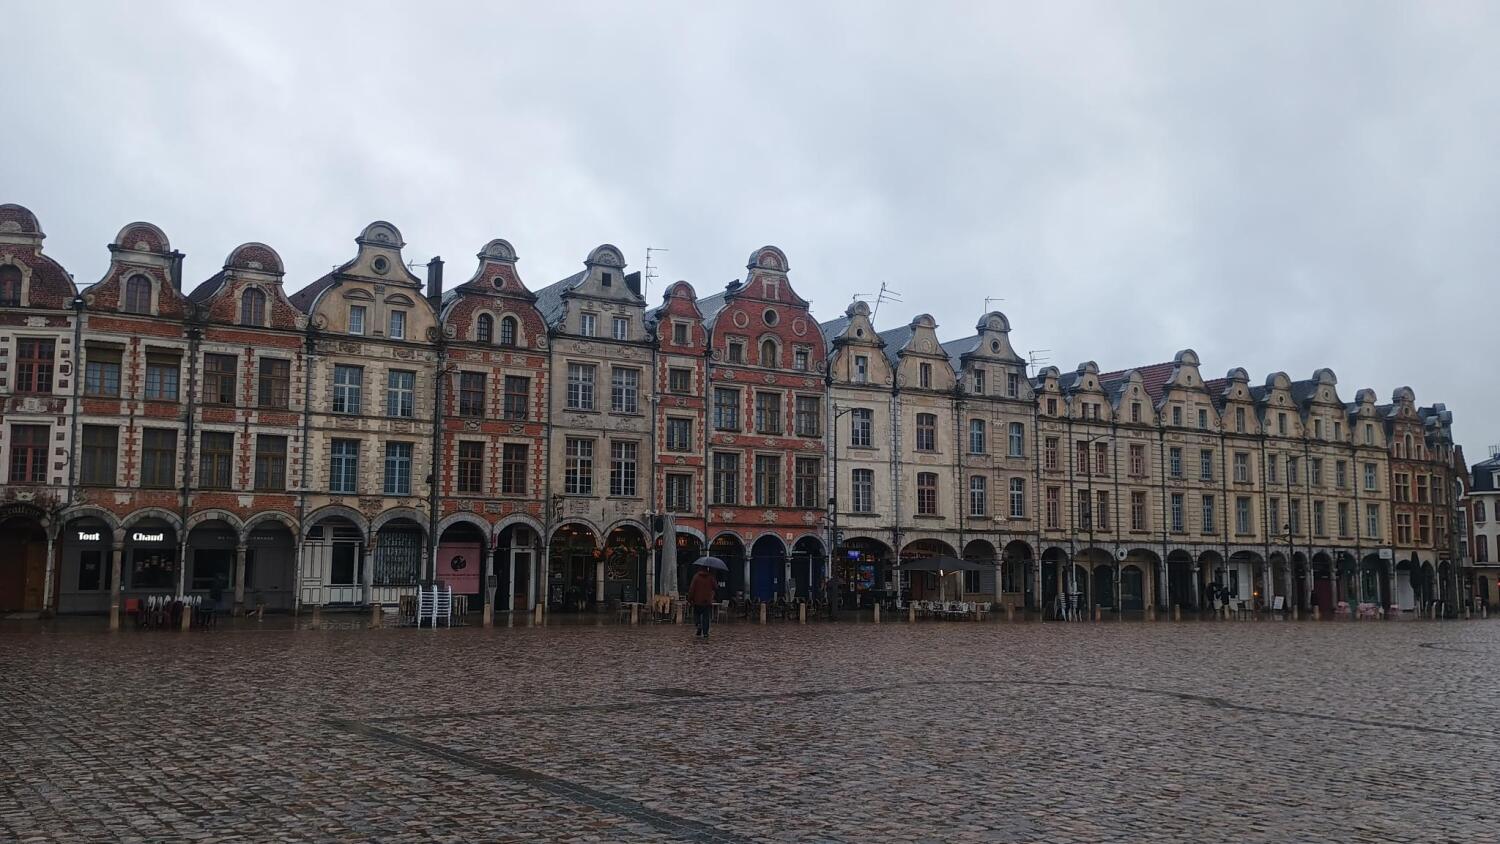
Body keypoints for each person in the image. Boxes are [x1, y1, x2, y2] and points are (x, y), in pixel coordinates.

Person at [688, 564, 717, 638]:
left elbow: (692, 588)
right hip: (707, 600)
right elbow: (715, 587)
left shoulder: (696, 577)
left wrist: (690, 599)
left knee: (696, 614)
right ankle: (705, 633)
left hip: (697, 600)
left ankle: (698, 624)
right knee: (706, 617)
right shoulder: (710, 577)